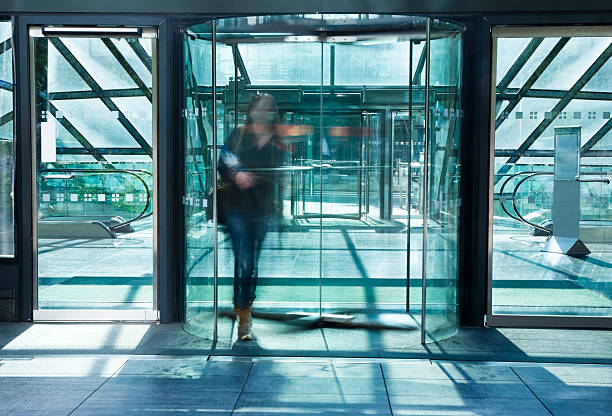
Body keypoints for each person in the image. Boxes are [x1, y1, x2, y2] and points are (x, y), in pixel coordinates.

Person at [218, 94, 283, 341]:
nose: (266, 111)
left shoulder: (276, 142)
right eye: (262, 107)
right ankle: (243, 316)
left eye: (270, 107)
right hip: (237, 207)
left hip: (262, 209)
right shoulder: (238, 134)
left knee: (251, 263)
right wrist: (237, 176)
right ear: (252, 111)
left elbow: (277, 176)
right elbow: (222, 163)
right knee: (243, 260)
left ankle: (245, 306)